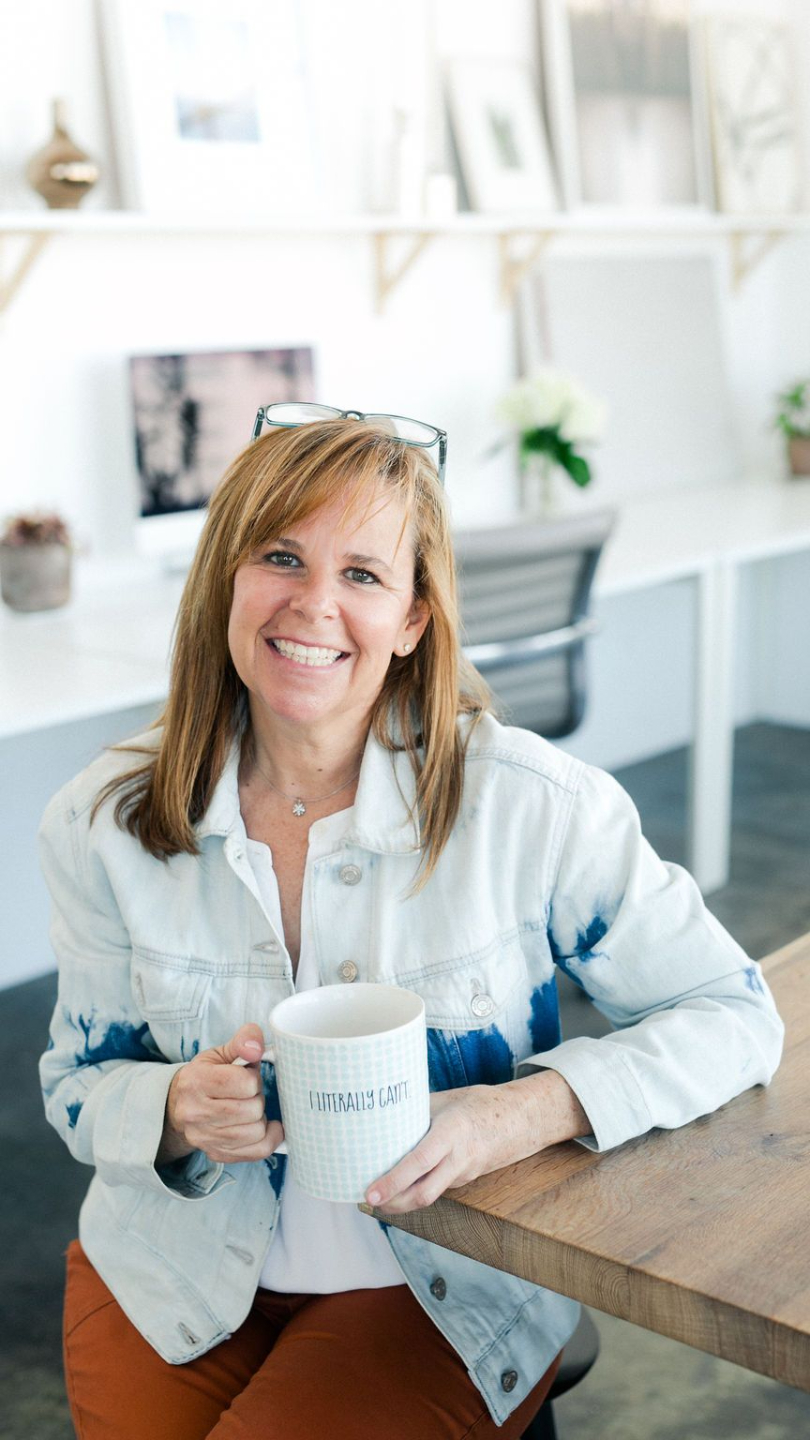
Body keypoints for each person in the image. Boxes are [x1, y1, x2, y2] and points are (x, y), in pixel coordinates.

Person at [40, 406, 784, 1440]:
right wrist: (170, 1108)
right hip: (169, 1273)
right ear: (225, 579)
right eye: (281, 557)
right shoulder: (101, 821)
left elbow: (734, 1012)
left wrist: (514, 1114)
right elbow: (76, 1084)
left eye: (362, 575)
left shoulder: (532, 805)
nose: (312, 605)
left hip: (444, 1283)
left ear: (414, 621)